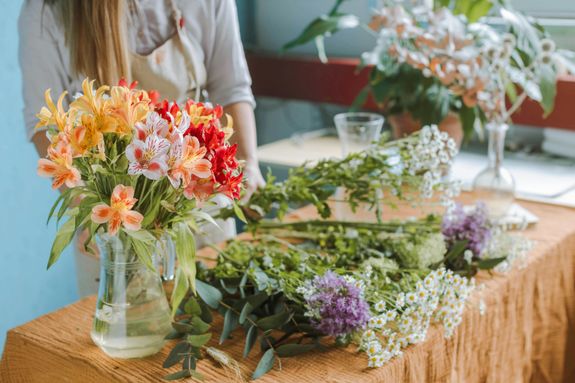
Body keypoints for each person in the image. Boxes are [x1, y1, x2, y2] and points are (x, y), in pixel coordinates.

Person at [19, 0, 265, 295]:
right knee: (124, 331)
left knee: (215, 320)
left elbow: (232, 87)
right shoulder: (47, 11)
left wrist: (247, 162)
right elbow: (43, 124)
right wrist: (85, 206)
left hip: (199, 204)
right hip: (115, 222)